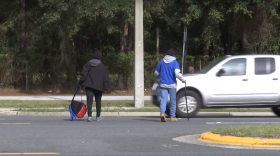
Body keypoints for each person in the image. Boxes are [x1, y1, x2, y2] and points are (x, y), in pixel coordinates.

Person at [79, 50, 111, 122]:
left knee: (89, 101)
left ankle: (89, 116)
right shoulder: (102, 66)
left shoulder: (88, 64)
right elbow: (105, 78)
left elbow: (84, 74)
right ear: (100, 58)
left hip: (89, 86)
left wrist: (80, 82)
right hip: (99, 87)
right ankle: (98, 116)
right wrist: (107, 87)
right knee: (98, 101)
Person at [154, 48, 186, 122]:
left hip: (163, 84)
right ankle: (172, 116)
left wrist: (160, 77)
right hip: (172, 85)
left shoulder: (161, 62)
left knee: (163, 100)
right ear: (173, 55)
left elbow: (156, 73)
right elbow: (177, 73)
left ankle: (162, 113)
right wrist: (183, 80)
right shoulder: (175, 62)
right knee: (173, 100)